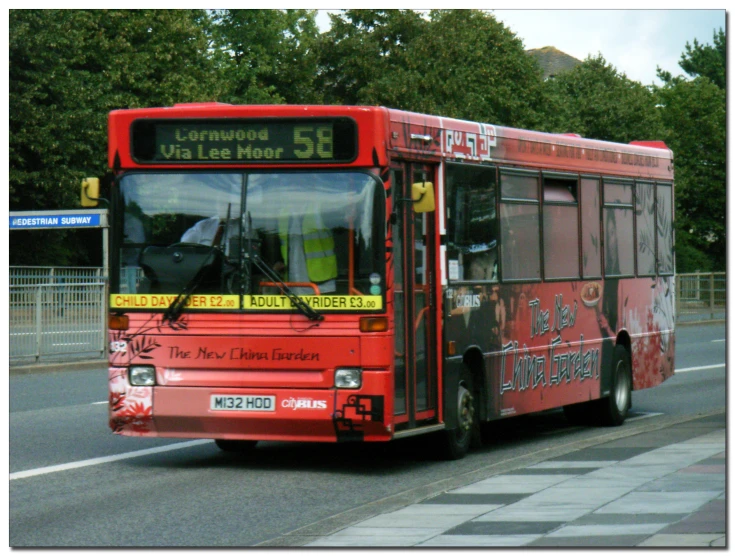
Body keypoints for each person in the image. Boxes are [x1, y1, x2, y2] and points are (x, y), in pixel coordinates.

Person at [274, 207, 337, 295]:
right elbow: (278, 243)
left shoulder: (321, 208)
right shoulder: (282, 213)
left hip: (321, 285)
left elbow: (342, 226)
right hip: (291, 285)